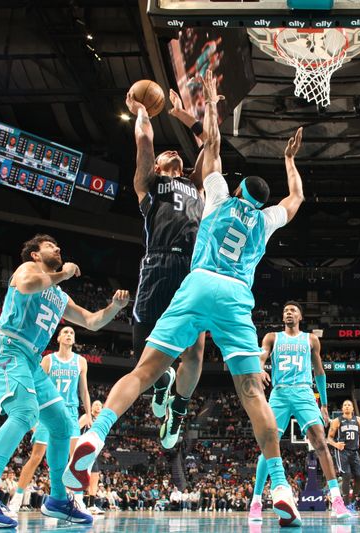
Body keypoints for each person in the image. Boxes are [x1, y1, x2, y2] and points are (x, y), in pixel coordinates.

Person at [67, 70, 306, 527]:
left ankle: (96, 436)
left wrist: (210, 103)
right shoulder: (267, 219)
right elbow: (294, 198)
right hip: (234, 292)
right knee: (253, 392)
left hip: (196, 280)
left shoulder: (214, 195)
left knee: (144, 371)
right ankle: (280, 485)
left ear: (236, 191)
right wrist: (290, 159)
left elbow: (211, 144)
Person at [0, 234, 129, 528]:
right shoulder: (27, 269)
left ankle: (59, 500)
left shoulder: (60, 296)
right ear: (35, 254)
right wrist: (64, 273)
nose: (58, 248)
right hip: (7, 349)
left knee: (62, 425)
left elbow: (92, 322)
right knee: (24, 413)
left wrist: (114, 307)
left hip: (32, 361)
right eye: (50, 246)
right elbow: (27, 287)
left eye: (58, 246)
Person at [127, 82, 207, 449]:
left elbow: (211, 146)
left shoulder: (198, 187)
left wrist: (183, 117)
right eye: (166, 153)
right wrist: (141, 109)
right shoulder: (149, 184)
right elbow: (145, 142)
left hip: (192, 271)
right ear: (159, 166)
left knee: (195, 350)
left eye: (178, 152)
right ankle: (161, 384)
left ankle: (179, 408)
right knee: (145, 355)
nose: (171, 151)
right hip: (157, 265)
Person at [248, 301, 350, 523]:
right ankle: (255, 502)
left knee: (321, 443)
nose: (288, 313)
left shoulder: (311, 339)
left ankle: (337, 500)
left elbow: (320, 371)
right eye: (285, 311)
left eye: (292, 310)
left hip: (304, 392)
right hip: (280, 394)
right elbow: (262, 355)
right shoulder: (272, 337)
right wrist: (257, 369)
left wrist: (323, 404)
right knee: (268, 445)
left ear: (300, 316)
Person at [9, 326, 91, 513]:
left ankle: (78, 500)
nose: (69, 335)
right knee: (36, 457)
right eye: (66, 332)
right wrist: (34, 417)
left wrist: (88, 414)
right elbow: (36, 388)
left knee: (75, 458)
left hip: (70, 412)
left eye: (72, 333)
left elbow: (84, 390)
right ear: (59, 338)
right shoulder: (48, 360)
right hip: (49, 410)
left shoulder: (81, 362)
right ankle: (17, 499)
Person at [328, 399, 360, 514]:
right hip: (342, 451)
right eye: (345, 405)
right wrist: (336, 444)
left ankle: (352, 502)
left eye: (349, 405)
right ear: (342, 409)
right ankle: (346, 505)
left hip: (354, 451)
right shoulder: (337, 421)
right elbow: (329, 438)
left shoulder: (358, 420)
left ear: (352, 408)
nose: (347, 406)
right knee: (346, 475)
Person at [80, 401, 105, 514]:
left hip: (94, 452)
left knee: (95, 477)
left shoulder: (101, 421)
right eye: (96, 405)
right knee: (79, 477)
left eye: (100, 405)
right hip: (83, 450)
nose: (98, 407)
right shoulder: (86, 417)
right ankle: (75, 501)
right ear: (91, 407)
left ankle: (91, 505)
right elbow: (75, 428)